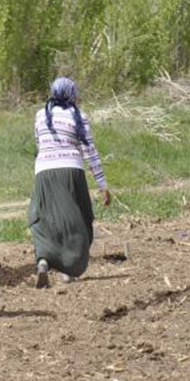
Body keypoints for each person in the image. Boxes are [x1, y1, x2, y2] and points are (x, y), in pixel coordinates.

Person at [30, 77, 111, 288]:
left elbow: (39, 143)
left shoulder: (40, 115)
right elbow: (90, 152)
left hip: (44, 172)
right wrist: (102, 184)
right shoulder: (78, 116)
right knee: (79, 219)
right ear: (72, 94)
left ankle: (44, 260)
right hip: (71, 172)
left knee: (44, 219)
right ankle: (68, 271)